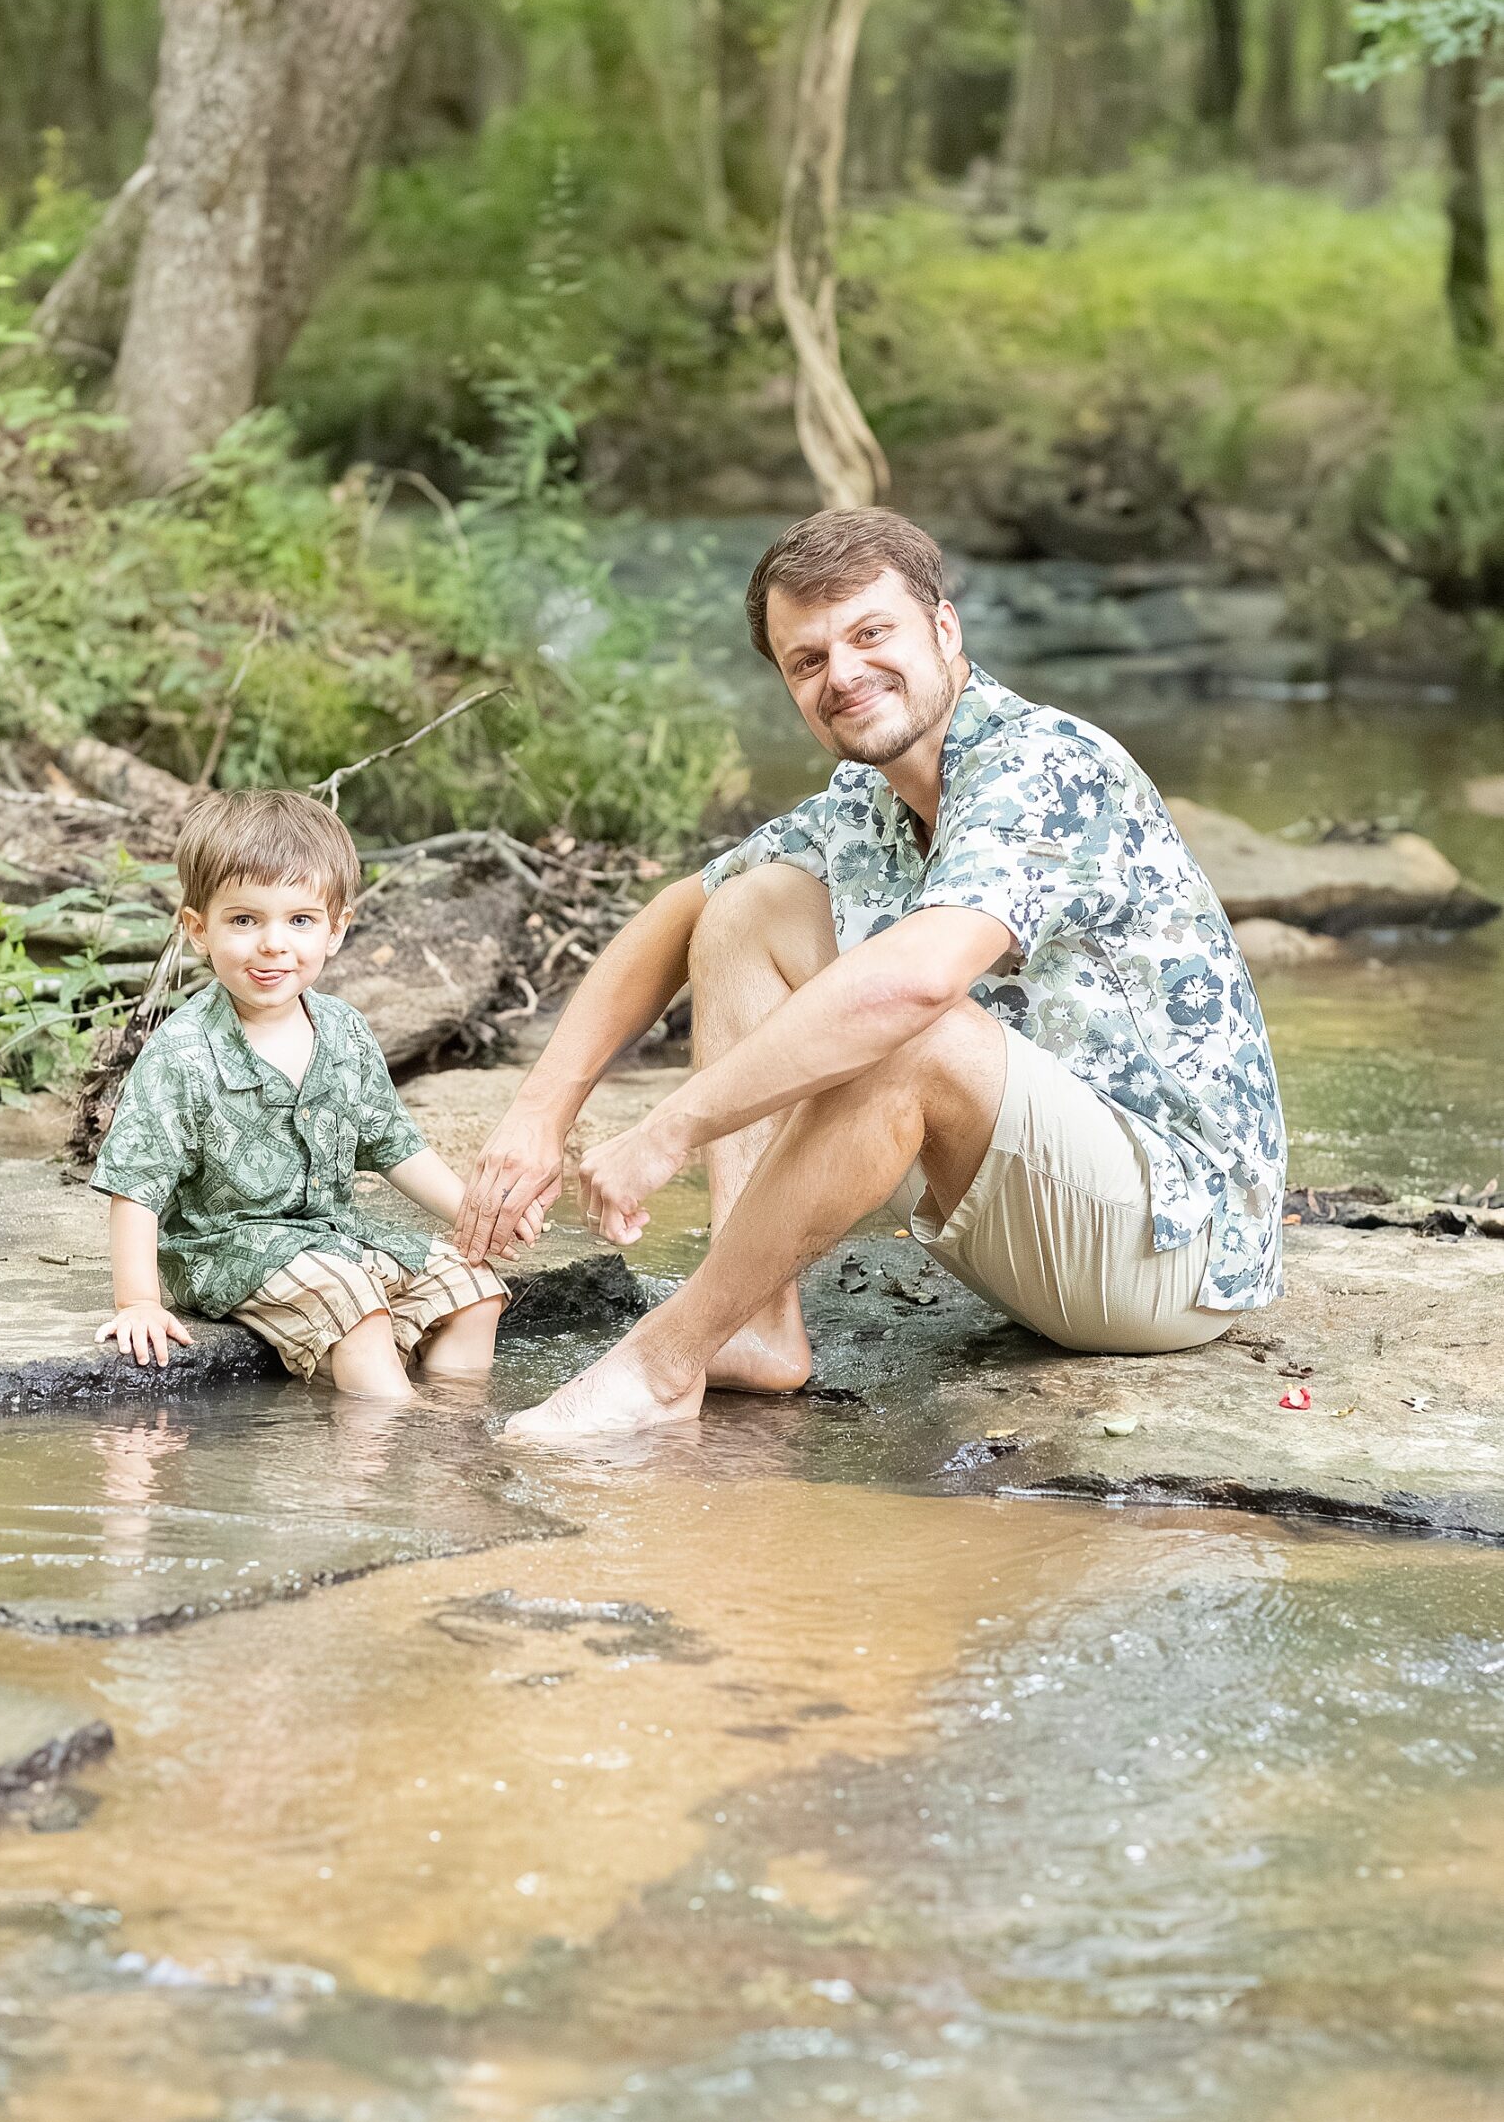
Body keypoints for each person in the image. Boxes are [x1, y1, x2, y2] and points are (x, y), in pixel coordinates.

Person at [452, 508, 1286, 1440]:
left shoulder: (1048, 764)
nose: (842, 674)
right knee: (748, 909)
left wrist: (667, 1131)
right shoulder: (866, 799)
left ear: (943, 629)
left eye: (869, 633)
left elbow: (919, 987)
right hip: (1025, 1197)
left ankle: (660, 1361)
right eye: (806, 661)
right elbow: (675, 915)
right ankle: (753, 1324)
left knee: (912, 1027)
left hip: (1169, 1249)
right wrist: (538, 1115)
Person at [93, 790, 515, 1401]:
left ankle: (455, 1431)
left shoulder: (343, 1030)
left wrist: (478, 1221)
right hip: (227, 1246)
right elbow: (137, 1184)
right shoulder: (183, 1053)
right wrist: (137, 1302)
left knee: (474, 1286)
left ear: (336, 929)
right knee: (356, 1305)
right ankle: (393, 1437)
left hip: (332, 1233)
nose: (273, 944)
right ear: (197, 930)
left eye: (300, 920)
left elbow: (394, 1145)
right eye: (244, 920)